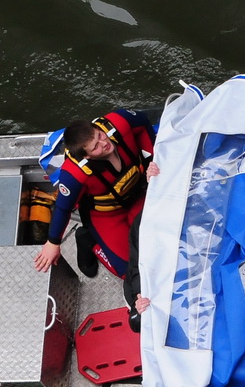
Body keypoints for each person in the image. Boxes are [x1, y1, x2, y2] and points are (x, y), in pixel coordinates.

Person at [35, 110, 158, 306]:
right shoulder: (74, 174)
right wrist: (53, 243)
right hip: (106, 215)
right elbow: (63, 208)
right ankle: (88, 241)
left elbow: (143, 123)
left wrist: (152, 159)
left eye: (99, 135)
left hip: (138, 196)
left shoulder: (119, 122)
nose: (104, 144)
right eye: (95, 147)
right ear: (86, 156)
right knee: (129, 269)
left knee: (159, 244)